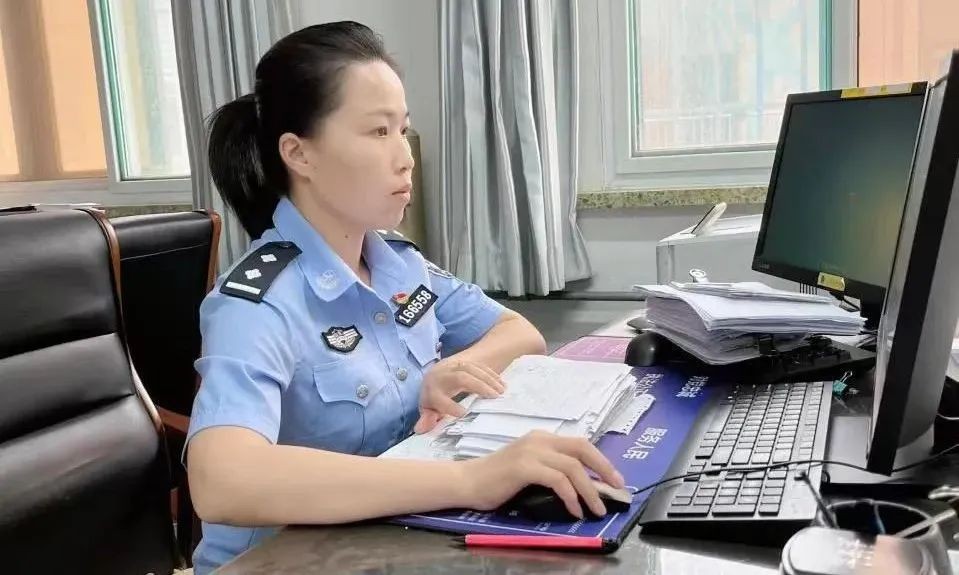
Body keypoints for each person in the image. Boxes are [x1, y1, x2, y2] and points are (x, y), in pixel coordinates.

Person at [186, 21, 625, 573]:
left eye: (403, 129)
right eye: (378, 132)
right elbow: (223, 482)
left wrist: (454, 369)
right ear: (299, 154)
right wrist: (470, 480)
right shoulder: (256, 302)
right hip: (283, 561)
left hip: (385, 542)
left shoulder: (397, 262)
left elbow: (520, 333)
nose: (405, 156)